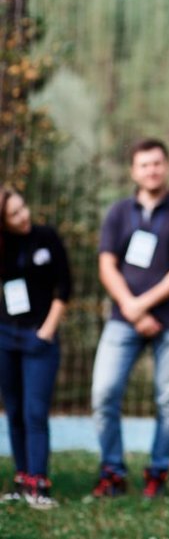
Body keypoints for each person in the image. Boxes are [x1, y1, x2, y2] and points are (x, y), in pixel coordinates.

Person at [91, 138, 169, 499]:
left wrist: (144, 305)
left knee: (168, 402)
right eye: (144, 165)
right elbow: (107, 265)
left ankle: (158, 472)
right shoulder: (119, 213)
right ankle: (112, 471)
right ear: (133, 171)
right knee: (104, 392)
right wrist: (130, 307)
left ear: (167, 166)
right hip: (123, 320)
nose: (151, 170)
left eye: (157, 163)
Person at [0, 187, 71, 509]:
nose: (23, 215)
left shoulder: (46, 237)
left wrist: (47, 330)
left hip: (39, 337)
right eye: (13, 214)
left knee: (35, 412)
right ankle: (21, 477)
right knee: (14, 411)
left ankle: (40, 482)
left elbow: (65, 285)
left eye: (23, 207)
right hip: (6, 336)